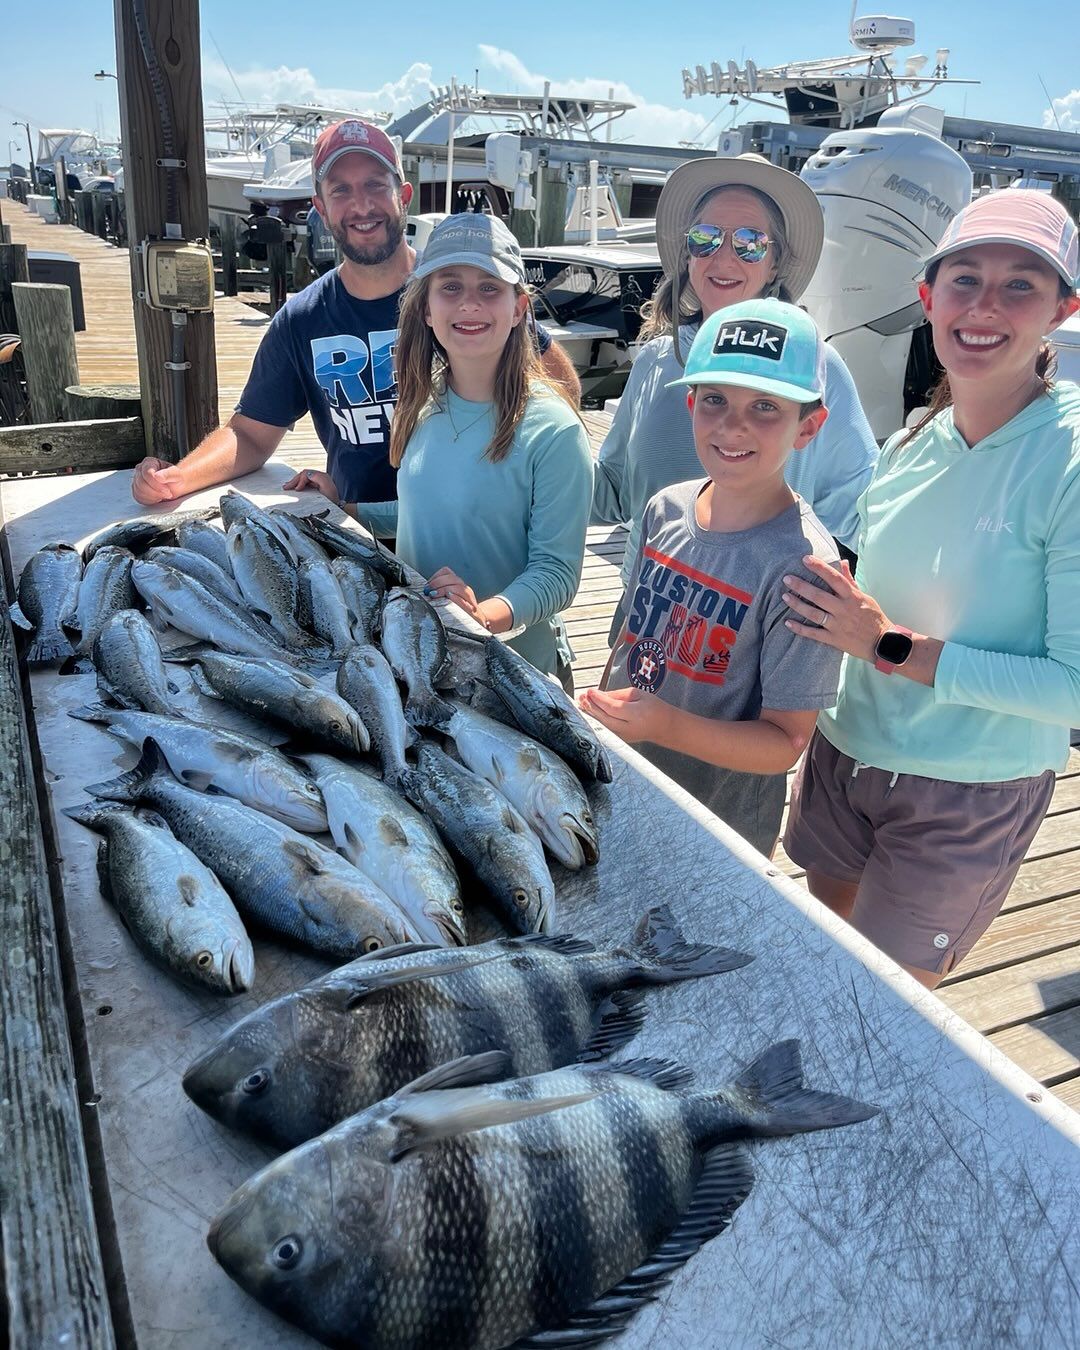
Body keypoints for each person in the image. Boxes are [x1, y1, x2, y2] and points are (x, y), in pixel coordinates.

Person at [780, 189, 1080, 990]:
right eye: (965, 279)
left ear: (1063, 308)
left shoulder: (1071, 458)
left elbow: (1073, 691)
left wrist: (887, 645)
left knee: (887, 1007)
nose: (985, 305)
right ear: (927, 298)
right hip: (845, 755)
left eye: (1022, 283)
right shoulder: (910, 439)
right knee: (826, 952)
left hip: (968, 793)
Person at [129, 119, 579, 508]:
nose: (361, 205)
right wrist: (177, 479)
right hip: (359, 531)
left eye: (375, 185)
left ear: (403, 195)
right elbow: (250, 434)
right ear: (320, 208)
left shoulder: (457, 294)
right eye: (341, 190)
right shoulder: (302, 319)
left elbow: (561, 393)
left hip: (470, 533)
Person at [579, 298, 844, 857]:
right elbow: (628, 636)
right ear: (691, 402)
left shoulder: (805, 567)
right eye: (716, 400)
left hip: (719, 827)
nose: (733, 425)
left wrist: (663, 725)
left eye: (766, 406)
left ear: (809, 426)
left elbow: (785, 743)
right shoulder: (663, 508)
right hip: (623, 776)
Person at [592, 153, 878, 644]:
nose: (723, 257)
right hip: (641, 612)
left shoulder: (822, 372)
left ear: (775, 263)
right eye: (705, 238)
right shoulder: (653, 362)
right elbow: (613, 492)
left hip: (755, 638)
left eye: (749, 243)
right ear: (687, 254)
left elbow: (862, 517)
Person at [294, 213, 592, 682]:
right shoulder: (421, 399)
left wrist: (485, 614)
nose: (469, 303)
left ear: (519, 308)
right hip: (423, 652)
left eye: (489, 287)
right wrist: (347, 506)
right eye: (450, 287)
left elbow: (556, 573)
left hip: (515, 675)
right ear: (426, 310)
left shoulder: (555, 430)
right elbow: (424, 508)